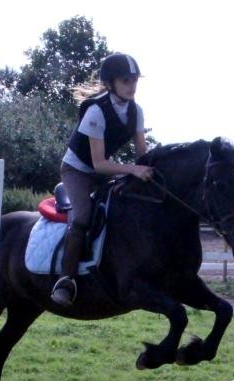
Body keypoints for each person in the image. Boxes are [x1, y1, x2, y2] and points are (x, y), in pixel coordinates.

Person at [51, 52, 154, 306]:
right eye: (126, 81)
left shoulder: (136, 111)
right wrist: (132, 170)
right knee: (83, 217)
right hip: (77, 171)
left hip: (102, 169)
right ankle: (66, 280)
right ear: (110, 84)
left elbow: (142, 156)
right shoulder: (96, 111)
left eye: (134, 81)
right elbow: (98, 164)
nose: (132, 87)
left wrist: (153, 171)